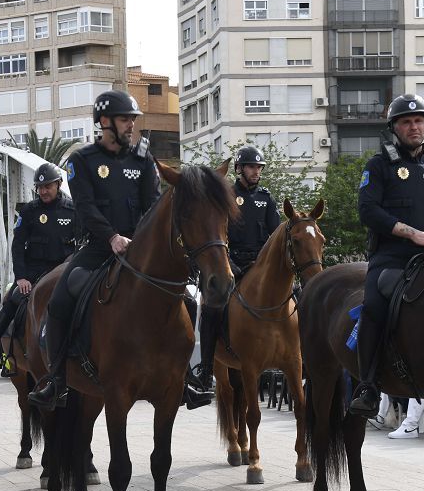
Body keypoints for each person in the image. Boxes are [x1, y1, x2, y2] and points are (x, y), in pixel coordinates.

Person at [28, 90, 212, 410]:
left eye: (132, 120)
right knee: (60, 299)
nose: (131, 125)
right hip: (97, 249)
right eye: (126, 119)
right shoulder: (81, 161)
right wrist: (112, 237)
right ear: (105, 122)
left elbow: (153, 207)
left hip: (138, 251)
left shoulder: (142, 160)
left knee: (189, 298)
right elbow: (84, 208)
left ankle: (184, 379)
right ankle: (56, 379)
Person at [349, 94, 424, 417]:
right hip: (393, 257)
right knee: (373, 307)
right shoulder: (379, 165)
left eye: (418, 121)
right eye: (406, 122)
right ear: (395, 128)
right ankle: (368, 385)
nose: (414, 126)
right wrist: (412, 233)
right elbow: (368, 211)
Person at [0, 163, 77, 375]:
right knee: (11, 302)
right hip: (34, 273)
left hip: (65, 271)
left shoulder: (73, 210)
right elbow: (18, 246)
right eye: (40, 187)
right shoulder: (29, 211)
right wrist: (21, 278)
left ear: (59, 184)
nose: (43, 191)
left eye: (48, 186)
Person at [194, 145, 280, 390]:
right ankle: (206, 369)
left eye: (259, 167)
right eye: (252, 167)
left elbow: (275, 237)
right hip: (230, 265)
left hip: (260, 266)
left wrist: (266, 266)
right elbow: (217, 236)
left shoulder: (266, 197)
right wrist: (231, 265)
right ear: (240, 168)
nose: (257, 171)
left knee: (295, 296)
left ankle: (298, 355)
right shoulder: (227, 196)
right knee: (212, 308)